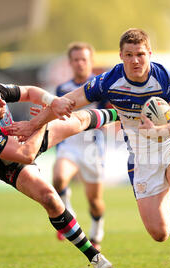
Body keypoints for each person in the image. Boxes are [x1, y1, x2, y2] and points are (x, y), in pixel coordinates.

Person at [7, 28, 170, 268]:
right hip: (142, 157)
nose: (135, 60)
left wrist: (160, 131)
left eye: (140, 54)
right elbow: (68, 101)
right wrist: (34, 123)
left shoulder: (162, 76)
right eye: (129, 55)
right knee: (159, 233)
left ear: (149, 54)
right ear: (121, 56)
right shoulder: (109, 80)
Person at [0, 80, 118, 268]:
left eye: (1, 99)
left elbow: (28, 91)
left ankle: (123, 114)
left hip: (26, 135)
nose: (3, 102)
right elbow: (27, 155)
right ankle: (95, 257)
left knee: (79, 121)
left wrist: (52, 102)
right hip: (10, 162)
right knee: (50, 199)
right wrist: (41, 121)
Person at [53, 42, 108, 249]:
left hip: (92, 147)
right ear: (70, 63)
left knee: (94, 201)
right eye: (75, 60)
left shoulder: (100, 84)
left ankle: (97, 229)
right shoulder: (63, 89)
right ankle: (67, 213)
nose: (79, 63)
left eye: (83, 59)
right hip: (69, 144)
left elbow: (109, 113)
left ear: (90, 61)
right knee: (58, 178)